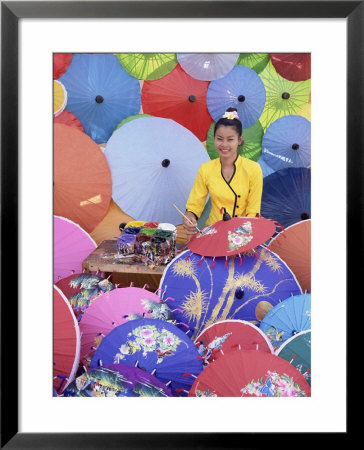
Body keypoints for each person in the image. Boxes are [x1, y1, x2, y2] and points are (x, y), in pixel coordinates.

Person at [183, 107, 263, 237]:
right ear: (214, 139)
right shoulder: (206, 169)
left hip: (242, 234)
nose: (224, 144)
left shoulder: (253, 169)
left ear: (239, 140)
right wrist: (189, 217)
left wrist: (240, 235)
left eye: (230, 139)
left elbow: (253, 211)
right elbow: (194, 205)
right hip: (213, 232)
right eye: (219, 139)